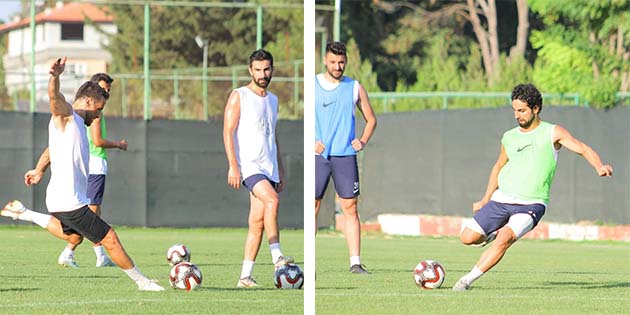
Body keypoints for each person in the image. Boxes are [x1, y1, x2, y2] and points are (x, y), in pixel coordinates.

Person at [1, 57, 164, 291]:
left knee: (74, 237)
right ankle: (143, 282)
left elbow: (50, 149)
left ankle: (24, 213)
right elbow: (54, 98)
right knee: (109, 237)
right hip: (69, 201)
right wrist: (54, 77)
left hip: (59, 200)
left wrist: (39, 170)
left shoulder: (76, 125)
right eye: (98, 109)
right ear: (88, 101)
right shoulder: (67, 116)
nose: (98, 115)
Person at [452, 83, 613, 291]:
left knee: (505, 237)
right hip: (502, 199)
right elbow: (498, 166)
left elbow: (583, 149)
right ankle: (490, 235)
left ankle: (466, 281)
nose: (517, 115)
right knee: (467, 238)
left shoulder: (552, 132)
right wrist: (485, 199)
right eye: (514, 110)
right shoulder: (509, 137)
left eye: (522, 110)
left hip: (531, 203)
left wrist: (599, 166)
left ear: (535, 108)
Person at [223, 49, 293, 288]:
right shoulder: (239, 95)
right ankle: (277, 257)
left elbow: (273, 136)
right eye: (258, 70)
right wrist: (234, 166)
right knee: (272, 201)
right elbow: (228, 131)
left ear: (272, 70)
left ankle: (245, 277)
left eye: (266, 69)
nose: (262, 74)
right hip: (250, 167)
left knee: (257, 223)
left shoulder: (273, 100)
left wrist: (280, 169)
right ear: (250, 70)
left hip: (269, 167)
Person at [314, 41, 377, 274]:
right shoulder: (312, 85)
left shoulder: (354, 87)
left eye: (341, 62)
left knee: (350, 208)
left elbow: (371, 119)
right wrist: (311, 141)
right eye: (333, 62)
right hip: (318, 157)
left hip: (345, 156)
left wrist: (362, 140)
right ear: (325, 61)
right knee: (314, 205)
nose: (337, 66)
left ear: (346, 62)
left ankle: (355, 263)